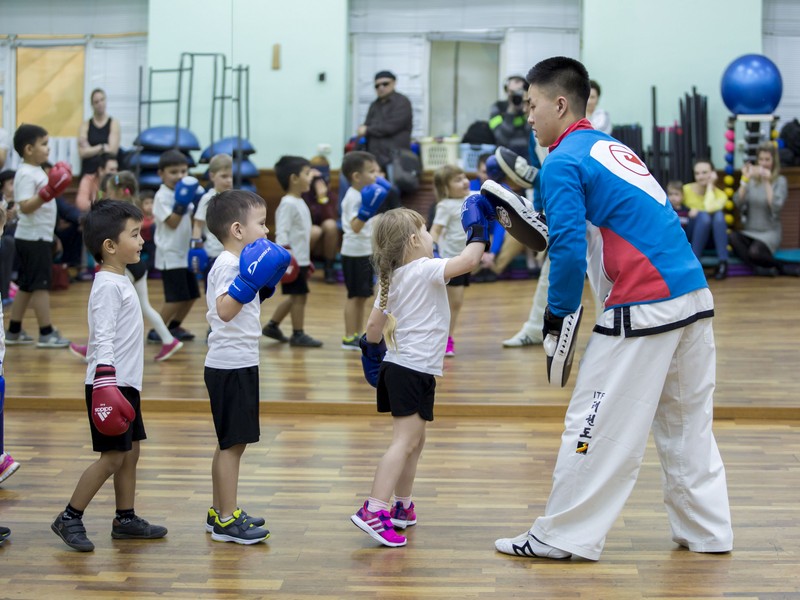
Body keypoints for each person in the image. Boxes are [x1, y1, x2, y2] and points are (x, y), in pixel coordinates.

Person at [494, 56, 732, 561]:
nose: (528, 117)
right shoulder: (607, 146)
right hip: (692, 294)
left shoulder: (563, 161)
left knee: (591, 423)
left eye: (532, 106)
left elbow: (564, 249)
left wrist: (557, 324)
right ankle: (707, 533)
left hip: (643, 305)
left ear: (560, 104)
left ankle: (561, 536)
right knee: (688, 425)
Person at [350, 204, 488, 547]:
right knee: (405, 442)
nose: (431, 236)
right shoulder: (425, 268)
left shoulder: (390, 278)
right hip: (411, 369)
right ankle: (374, 508)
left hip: (405, 368)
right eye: (426, 230)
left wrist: (371, 356)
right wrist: (478, 229)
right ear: (414, 240)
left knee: (416, 440)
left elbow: (371, 328)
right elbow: (469, 262)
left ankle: (402, 506)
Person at [51, 199, 167, 552]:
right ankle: (69, 516)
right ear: (110, 246)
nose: (142, 240)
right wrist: (106, 384)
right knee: (113, 457)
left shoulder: (120, 278)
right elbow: (100, 338)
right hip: (108, 385)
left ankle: (125, 518)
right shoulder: (107, 287)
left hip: (125, 384)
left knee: (130, 452)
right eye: (135, 234)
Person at [203, 189, 289, 544]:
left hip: (238, 361)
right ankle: (226, 519)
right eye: (261, 223)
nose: (267, 231)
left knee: (229, 442)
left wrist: (260, 288)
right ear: (238, 229)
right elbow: (224, 310)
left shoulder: (237, 264)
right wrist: (249, 282)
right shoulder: (228, 264)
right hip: (230, 365)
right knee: (233, 444)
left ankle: (220, 510)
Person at [69, 172, 183, 362]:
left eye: (108, 190)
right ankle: (168, 339)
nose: (105, 194)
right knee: (143, 306)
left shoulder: (118, 215)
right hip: (138, 265)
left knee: (105, 309)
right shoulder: (129, 209)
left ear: (119, 191)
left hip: (128, 265)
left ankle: (92, 349)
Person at [6, 124, 71, 348]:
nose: (48, 148)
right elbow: (24, 207)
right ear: (28, 149)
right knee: (41, 285)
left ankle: (13, 331)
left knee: (26, 284)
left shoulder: (37, 170)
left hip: (36, 236)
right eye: (43, 144)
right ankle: (46, 333)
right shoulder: (25, 173)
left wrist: (51, 190)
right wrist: (48, 192)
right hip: (33, 238)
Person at [261, 156, 323, 348]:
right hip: (292, 261)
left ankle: (272, 325)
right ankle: (298, 334)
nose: (311, 177)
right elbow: (281, 233)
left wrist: (306, 260)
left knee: (297, 296)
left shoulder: (299, 201)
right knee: (299, 297)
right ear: (294, 178)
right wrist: (287, 260)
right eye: (307, 173)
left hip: (301, 260)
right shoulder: (288, 203)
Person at [150, 150, 200, 343]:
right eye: (173, 172)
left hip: (185, 252)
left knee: (192, 295)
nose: (180, 176)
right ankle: (157, 330)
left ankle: (173, 327)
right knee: (175, 298)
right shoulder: (162, 196)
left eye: (183, 171)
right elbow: (172, 223)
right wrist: (181, 202)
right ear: (161, 173)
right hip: (169, 255)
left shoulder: (183, 192)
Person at [339, 151, 384, 350]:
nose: (376, 175)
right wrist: (367, 210)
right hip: (354, 252)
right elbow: (355, 227)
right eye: (371, 171)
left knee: (362, 295)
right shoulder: (353, 197)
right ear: (357, 176)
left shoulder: (364, 193)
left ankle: (357, 334)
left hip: (366, 250)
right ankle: (349, 336)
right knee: (353, 295)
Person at [730, 143, 792, 276]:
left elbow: (776, 206)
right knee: (733, 237)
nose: (763, 164)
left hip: (769, 233)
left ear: (773, 161)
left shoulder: (780, 181)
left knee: (755, 252)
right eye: (761, 159)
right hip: (750, 230)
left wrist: (767, 182)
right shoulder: (751, 180)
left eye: (767, 160)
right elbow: (738, 202)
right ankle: (759, 269)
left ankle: (780, 266)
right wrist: (744, 180)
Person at [430, 165, 472, 357]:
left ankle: (446, 336)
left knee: (457, 303)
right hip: (450, 261)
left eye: (463, 177)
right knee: (450, 302)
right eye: (457, 180)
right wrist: (432, 252)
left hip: (466, 260)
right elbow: (436, 231)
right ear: (445, 188)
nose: (464, 181)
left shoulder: (473, 197)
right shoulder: (445, 206)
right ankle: (445, 338)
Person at [357, 71, 413, 174]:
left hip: (395, 158)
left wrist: (368, 129)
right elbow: (366, 126)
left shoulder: (402, 102)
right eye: (377, 86)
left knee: (393, 188)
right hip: (374, 158)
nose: (381, 88)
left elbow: (391, 127)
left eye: (385, 84)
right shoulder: (374, 105)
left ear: (394, 83)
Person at [683, 159, 729, 280]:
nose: (700, 176)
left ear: (712, 174)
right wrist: (688, 212)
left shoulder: (721, 195)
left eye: (704, 172)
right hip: (691, 235)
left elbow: (709, 207)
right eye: (697, 173)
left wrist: (710, 187)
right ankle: (695, 262)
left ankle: (723, 263)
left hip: (712, 238)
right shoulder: (685, 190)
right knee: (704, 217)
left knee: (717, 215)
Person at [192, 153, 234, 287]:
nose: (228, 180)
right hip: (213, 254)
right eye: (224, 176)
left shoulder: (234, 198)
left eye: (231, 176)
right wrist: (195, 249)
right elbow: (198, 224)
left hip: (232, 253)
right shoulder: (207, 198)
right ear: (212, 176)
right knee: (214, 294)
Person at [302, 155, 340, 284]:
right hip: (306, 239)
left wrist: (322, 198)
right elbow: (305, 219)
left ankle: (329, 268)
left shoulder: (330, 195)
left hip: (324, 245)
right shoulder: (302, 193)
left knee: (330, 224)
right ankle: (302, 268)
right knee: (315, 230)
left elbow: (330, 217)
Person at [78, 89, 120, 181]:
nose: (100, 103)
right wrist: (102, 147)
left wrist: (90, 149)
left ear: (105, 101)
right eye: (96, 102)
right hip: (89, 171)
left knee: (109, 186)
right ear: (92, 105)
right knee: (96, 193)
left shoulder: (114, 123)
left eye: (102, 100)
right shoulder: (85, 125)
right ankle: (99, 195)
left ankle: (104, 195)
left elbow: (112, 151)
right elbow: (82, 153)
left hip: (108, 171)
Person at [489, 75, 531, 157]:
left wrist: (526, 108)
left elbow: (532, 136)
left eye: (519, 92)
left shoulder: (528, 108)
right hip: (505, 153)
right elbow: (501, 138)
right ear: (506, 91)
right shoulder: (498, 107)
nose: (516, 96)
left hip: (526, 153)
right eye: (512, 92)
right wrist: (511, 111)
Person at [0, 170, 18, 306]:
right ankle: (5, 291)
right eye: (11, 183)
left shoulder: (20, 201)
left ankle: (8, 288)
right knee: (8, 242)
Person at [139, 190, 156, 272]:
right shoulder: (141, 216)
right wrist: (152, 222)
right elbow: (141, 225)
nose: (150, 206)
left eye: (152, 202)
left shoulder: (156, 215)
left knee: (154, 253)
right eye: (146, 203)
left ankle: (149, 270)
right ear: (141, 205)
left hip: (151, 243)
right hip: (142, 241)